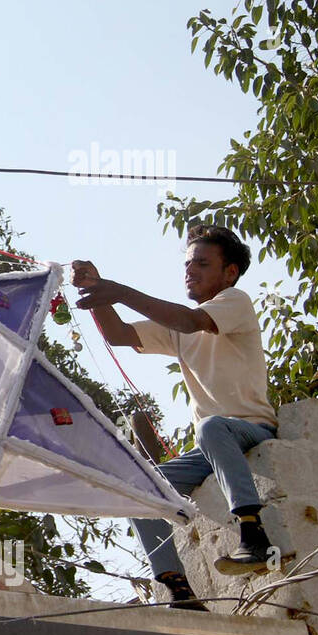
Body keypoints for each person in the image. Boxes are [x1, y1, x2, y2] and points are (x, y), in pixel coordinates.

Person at [72, 225, 280, 611]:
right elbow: (119, 334)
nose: (191, 270)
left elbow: (188, 321)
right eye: (188, 263)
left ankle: (253, 534)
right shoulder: (181, 327)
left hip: (251, 430)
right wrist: (97, 289)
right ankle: (178, 589)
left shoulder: (234, 301)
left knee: (212, 426)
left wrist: (121, 291)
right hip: (211, 445)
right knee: (136, 485)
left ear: (229, 272)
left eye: (202, 263)